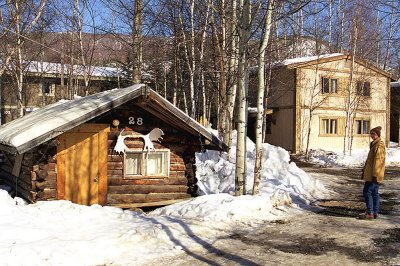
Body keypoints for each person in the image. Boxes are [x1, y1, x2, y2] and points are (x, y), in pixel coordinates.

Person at [360, 126, 386, 219]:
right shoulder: (374, 144)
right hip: (373, 174)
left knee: (367, 192)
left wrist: (375, 175)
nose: (371, 135)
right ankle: (375, 212)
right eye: (371, 133)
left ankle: (370, 213)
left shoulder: (379, 145)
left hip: (373, 175)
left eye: (373, 134)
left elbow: (378, 161)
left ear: (378, 135)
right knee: (374, 193)